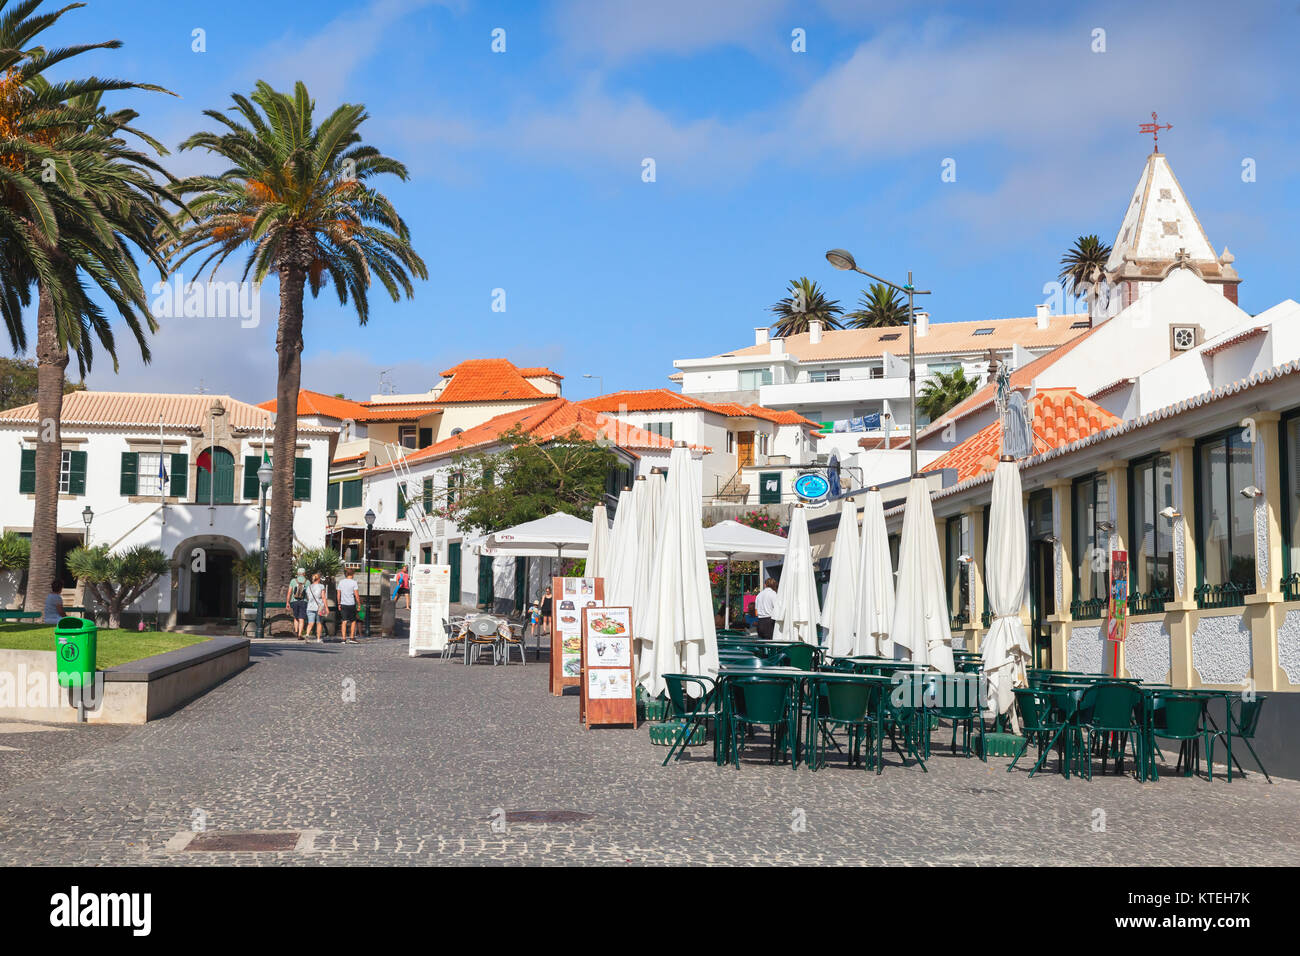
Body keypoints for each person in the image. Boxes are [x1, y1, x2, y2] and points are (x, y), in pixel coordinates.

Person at [336, 568, 360, 643]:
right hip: (351, 604)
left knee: (344, 621)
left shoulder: (341, 582)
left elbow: (338, 594)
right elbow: (356, 595)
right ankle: (352, 638)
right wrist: (359, 604)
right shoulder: (354, 583)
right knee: (353, 621)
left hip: (343, 603)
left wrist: (339, 603)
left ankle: (343, 638)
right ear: (352, 574)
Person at [306, 572, 329, 642]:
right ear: (319, 579)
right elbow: (323, 597)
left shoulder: (309, 587)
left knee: (310, 623)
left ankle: (307, 635)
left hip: (310, 607)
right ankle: (318, 639)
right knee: (319, 623)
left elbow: (307, 598)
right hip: (319, 607)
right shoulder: (321, 586)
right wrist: (326, 607)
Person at [287, 569, 309, 639]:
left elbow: (289, 592)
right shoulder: (307, 582)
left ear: (297, 573)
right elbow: (309, 593)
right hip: (304, 601)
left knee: (296, 617)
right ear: (304, 573)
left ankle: (296, 632)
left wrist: (287, 602)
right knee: (301, 618)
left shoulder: (293, 581)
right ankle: (300, 634)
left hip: (294, 601)